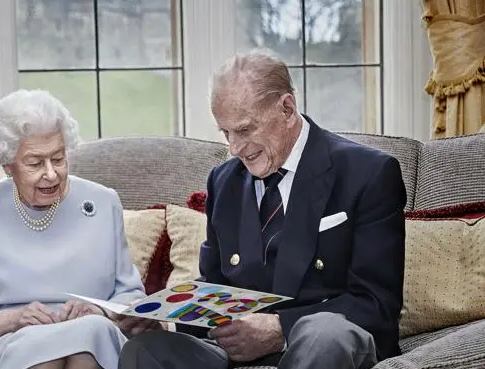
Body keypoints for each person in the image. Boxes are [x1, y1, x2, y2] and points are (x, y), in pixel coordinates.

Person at [117, 50, 407, 369]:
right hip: (236, 353)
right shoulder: (223, 181)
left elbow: (377, 304)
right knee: (146, 349)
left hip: (325, 346)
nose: (234, 148)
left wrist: (281, 328)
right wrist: (167, 321)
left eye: (244, 130)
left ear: (286, 108)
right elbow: (213, 287)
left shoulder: (368, 173)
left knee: (324, 333)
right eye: (225, 133)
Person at [0, 89, 146, 369]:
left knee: (92, 333)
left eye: (58, 158)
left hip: (93, 331)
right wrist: (15, 318)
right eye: (35, 163)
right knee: (45, 355)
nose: (51, 173)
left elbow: (131, 297)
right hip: (14, 336)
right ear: (7, 165)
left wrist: (98, 310)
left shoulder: (103, 201)